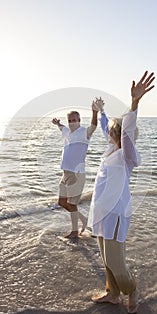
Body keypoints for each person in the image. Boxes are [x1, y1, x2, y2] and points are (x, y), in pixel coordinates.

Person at [88, 71, 155, 314]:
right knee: (106, 260)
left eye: (113, 131)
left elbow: (125, 130)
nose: (109, 132)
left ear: (119, 135)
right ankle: (112, 294)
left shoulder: (127, 155)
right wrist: (100, 112)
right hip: (101, 211)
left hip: (115, 213)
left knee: (116, 261)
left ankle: (131, 289)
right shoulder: (110, 149)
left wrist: (135, 103)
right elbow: (110, 126)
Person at [52, 101, 99, 239]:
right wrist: (57, 124)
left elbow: (94, 126)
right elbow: (62, 128)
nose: (72, 122)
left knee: (72, 204)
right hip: (65, 173)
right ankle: (85, 221)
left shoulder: (84, 133)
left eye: (74, 120)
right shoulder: (67, 131)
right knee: (62, 202)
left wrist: (94, 112)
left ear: (79, 120)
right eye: (70, 120)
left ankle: (74, 232)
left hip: (77, 174)